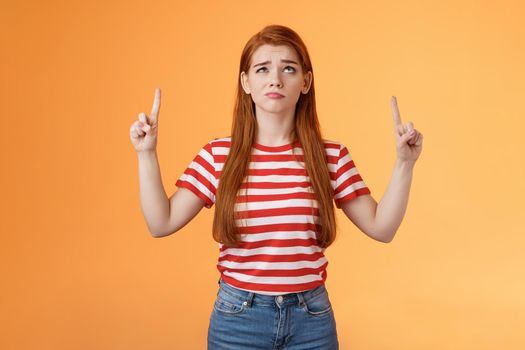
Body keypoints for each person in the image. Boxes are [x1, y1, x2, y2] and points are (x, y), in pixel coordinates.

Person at [129, 24, 423, 350]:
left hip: (310, 319)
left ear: (306, 82)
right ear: (246, 82)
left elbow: (382, 228)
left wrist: (404, 163)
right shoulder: (217, 155)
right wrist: (146, 154)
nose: (275, 79)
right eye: (262, 69)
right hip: (238, 318)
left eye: (289, 68)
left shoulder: (332, 157)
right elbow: (161, 223)